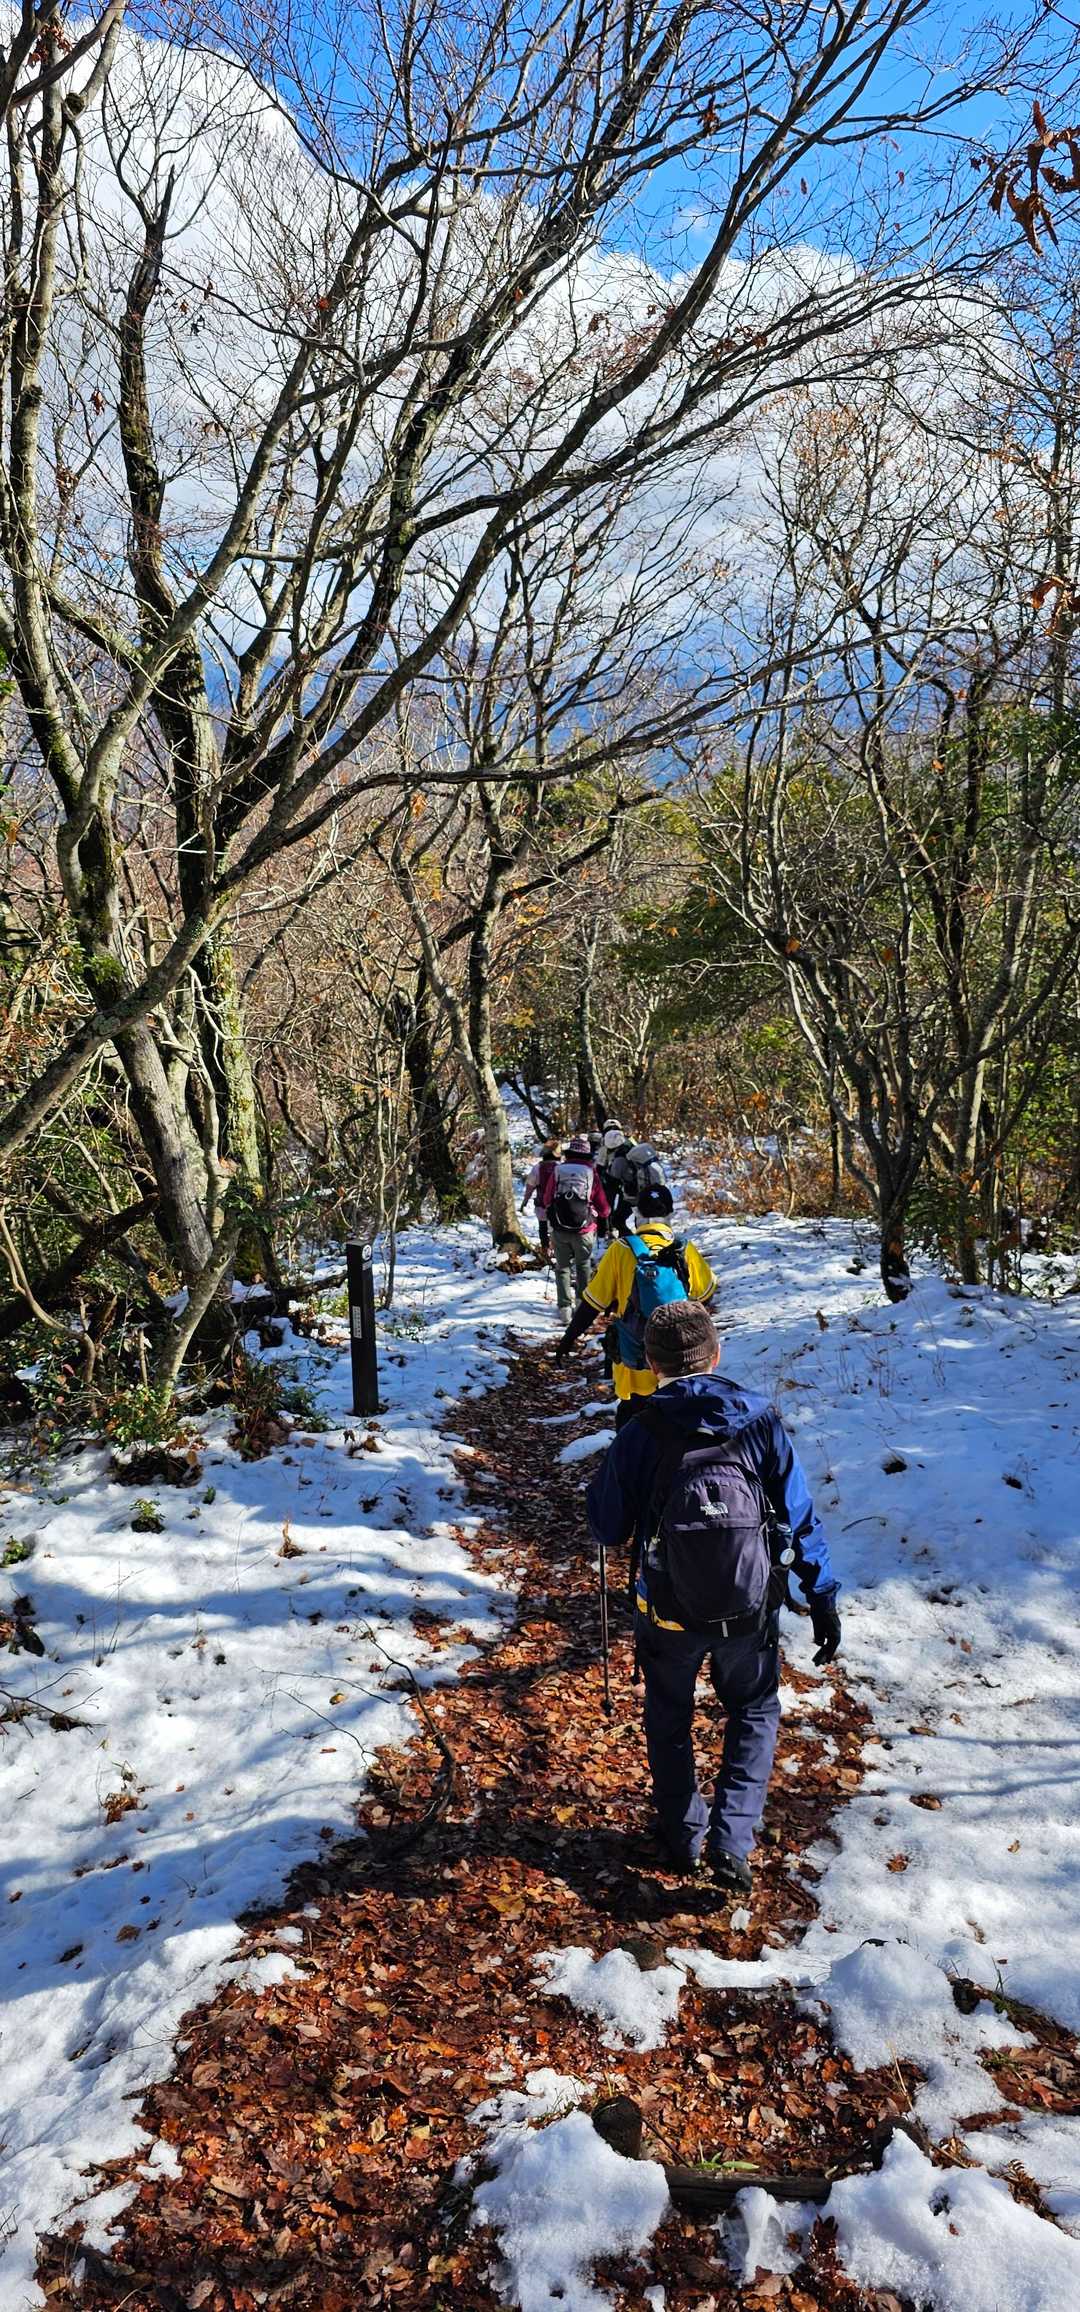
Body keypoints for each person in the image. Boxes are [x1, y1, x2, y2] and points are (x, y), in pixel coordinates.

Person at [585, 1299, 841, 1894]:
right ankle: (732, 1841)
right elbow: (799, 1515)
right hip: (750, 1607)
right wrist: (821, 1593)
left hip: (667, 1612)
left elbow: (607, 1527)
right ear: (717, 1354)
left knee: (669, 1714)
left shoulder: (642, 1429)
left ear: (650, 1364)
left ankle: (684, 1836)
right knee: (753, 1709)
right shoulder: (759, 1422)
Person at [555, 1183, 716, 1424]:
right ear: (670, 1213)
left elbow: (591, 1304)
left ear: (636, 1213)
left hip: (634, 1367)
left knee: (633, 1427)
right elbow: (705, 1296)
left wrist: (568, 1339)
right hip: (678, 1365)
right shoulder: (683, 1249)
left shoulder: (621, 1250)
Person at [539, 1133, 611, 1313]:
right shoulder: (591, 1172)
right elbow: (602, 1205)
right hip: (584, 1228)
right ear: (587, 1154)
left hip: (559, 1227)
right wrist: (604, 1215)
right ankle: (581, 1303)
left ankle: (564, 1308)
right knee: (583, 1265)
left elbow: (547, 1199)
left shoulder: (558, 1170)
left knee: (562, 1267)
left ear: (569, 1153)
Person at [521, 1139, 562, 1253]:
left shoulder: (537, 1168)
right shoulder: (562, 1167)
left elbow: (530, 1186)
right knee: (558, 1228)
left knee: (543, 1227)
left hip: (542, 1205)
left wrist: (525, 1201)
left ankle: (545, 1249)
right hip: (559, 1206)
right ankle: (558, 1250)